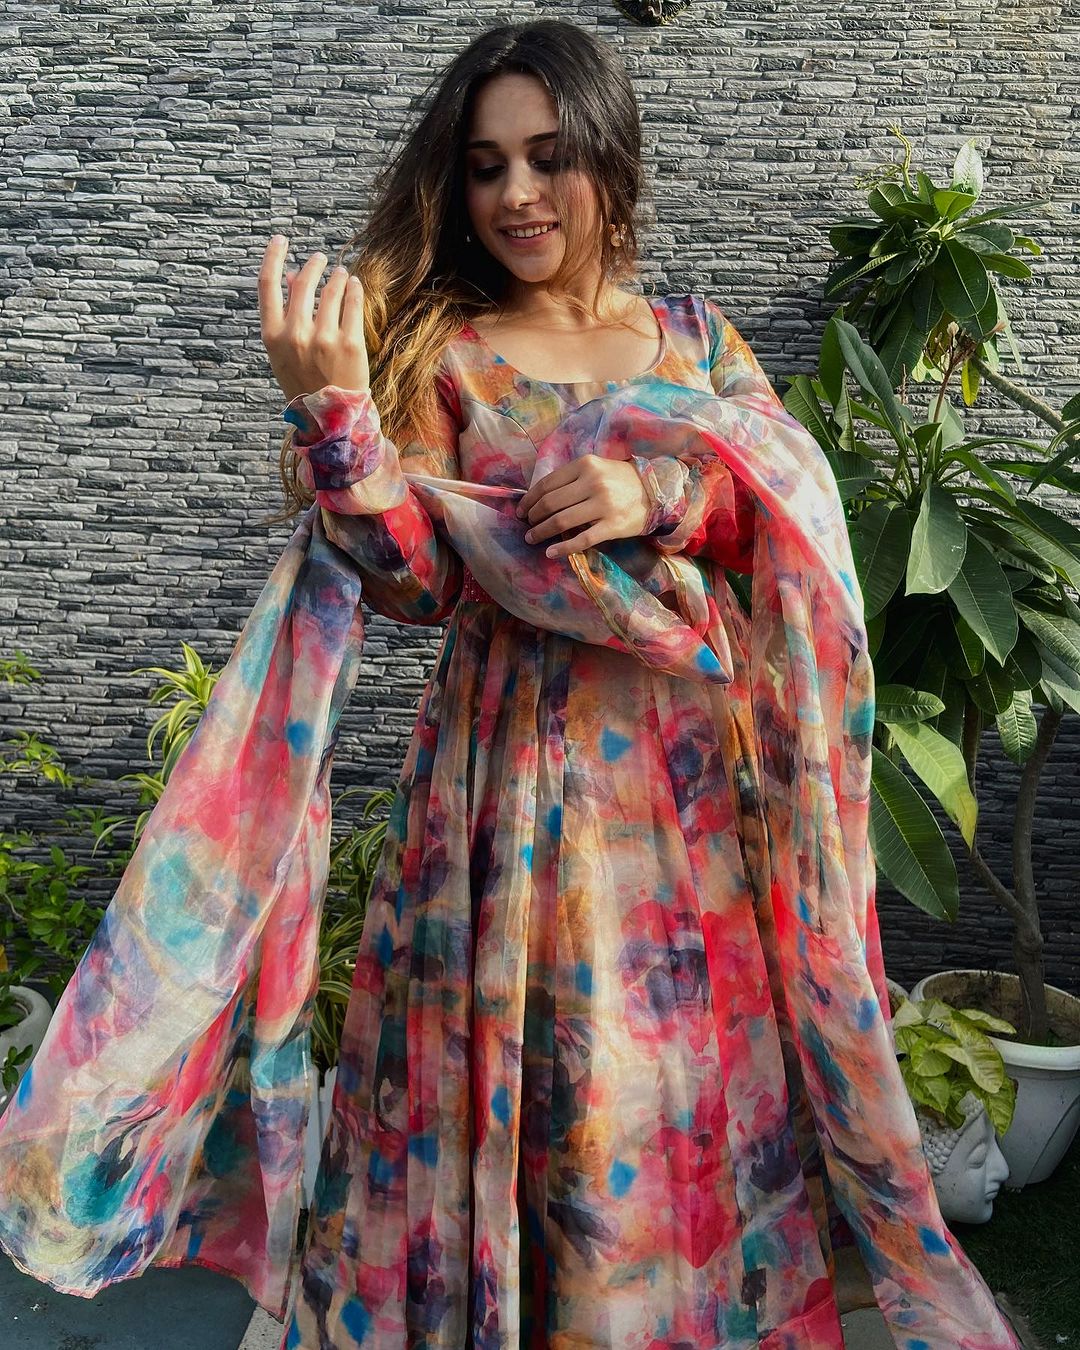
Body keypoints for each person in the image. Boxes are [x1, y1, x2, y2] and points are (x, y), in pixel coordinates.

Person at [0, 18, 1025, 1350]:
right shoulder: (451, 352)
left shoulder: (696, 343)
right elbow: (415, 578)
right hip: (502, 807)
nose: (518, 194)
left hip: (689, 824)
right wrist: (338, 422)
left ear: (612, 157)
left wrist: (658, 491)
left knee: (674, 1106)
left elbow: (789, 517)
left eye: (550, 156)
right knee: (522, 1102)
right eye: (486, 167)